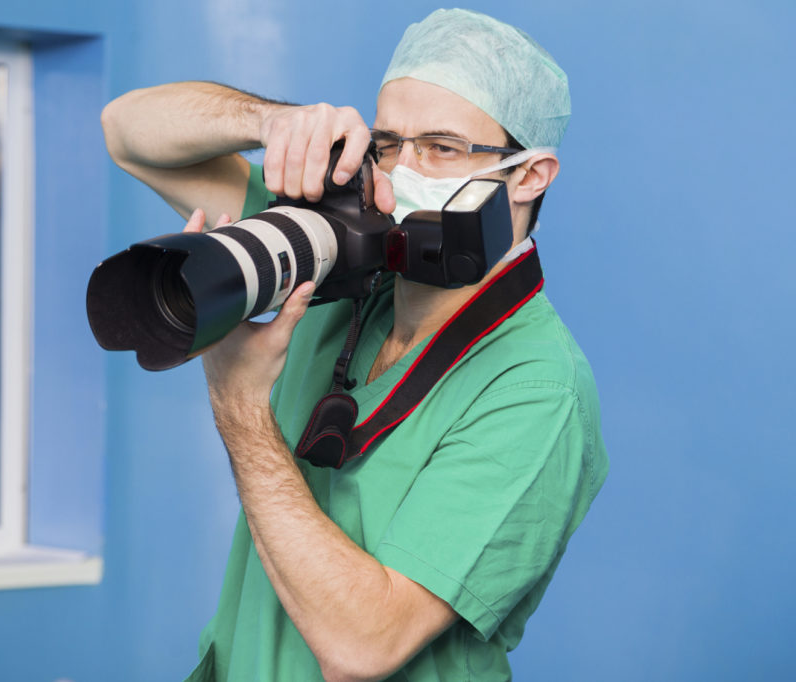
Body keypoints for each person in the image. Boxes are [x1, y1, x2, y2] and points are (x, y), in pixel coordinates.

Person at [101, 8, 608, 681]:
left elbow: (362, 647)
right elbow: (129, 133)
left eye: (441, 147)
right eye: (388, 142)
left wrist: (240, 410)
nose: (400, 174)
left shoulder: (536, 386)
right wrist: (271, 122)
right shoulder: (330, 271)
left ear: (530, 175)